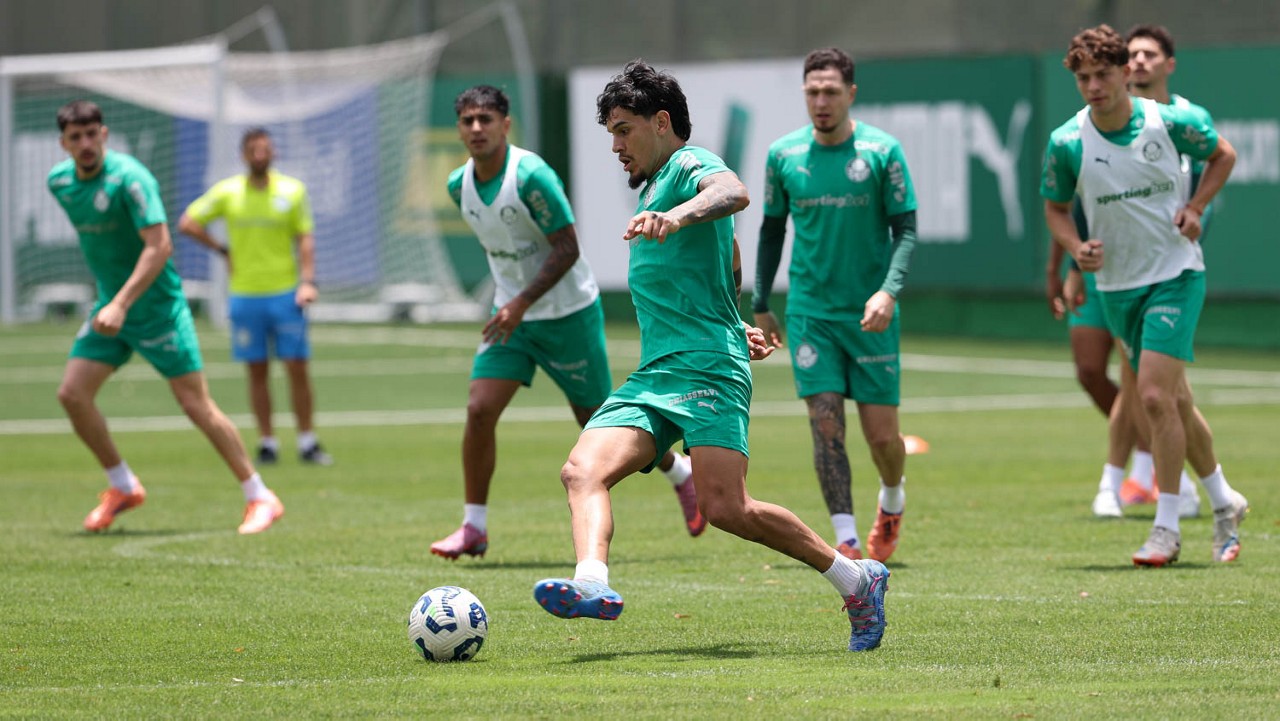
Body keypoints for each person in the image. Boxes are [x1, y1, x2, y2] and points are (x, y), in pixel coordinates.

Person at [531, 60, 889, 653]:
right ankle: (592, 584)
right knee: (582, 470)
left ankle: (856, 578)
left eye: (623, 130)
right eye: (610, 134)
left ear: (662, 122)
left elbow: (733, 193)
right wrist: (737, 318)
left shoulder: (688, 168)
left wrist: (675, 216)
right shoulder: (653, 187)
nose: (615, 146)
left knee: (727, 507)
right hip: (656, 374)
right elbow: (729, 260)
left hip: (707, 372)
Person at [429, 85, 705, 561]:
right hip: (513, 321)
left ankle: (680, 473)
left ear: (505, 125)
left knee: (597, 420)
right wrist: (510, 303)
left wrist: (520, 302)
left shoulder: (530, 175)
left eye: (485, 120)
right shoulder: (460, 186)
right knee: (479, 409)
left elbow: (567, 247)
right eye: (467, 121)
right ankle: (473, 526)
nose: (476, 129)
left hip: (567, 315)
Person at [1040, 25, 1248, 566]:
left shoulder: (1172, 122)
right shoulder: (1067, 142)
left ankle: (1166, 527)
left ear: (1125, 72)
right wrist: (1074, 248)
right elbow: (1056, 208)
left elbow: (1223, 155)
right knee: (1175, 400)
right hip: (1115, 286)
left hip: (1176, 274)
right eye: (1083, 77)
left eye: (1102, 74)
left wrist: (1197, 206)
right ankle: (1225, 501)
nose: (1093, 86)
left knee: (1153, 397)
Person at [48, 100, 284, 535]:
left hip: (155, 310)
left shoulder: (131, 180)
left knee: (196, 404)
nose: (85, 143)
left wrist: (121, 302)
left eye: (91, 133)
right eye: (75, 137)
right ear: (63, 143)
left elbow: (160, 247)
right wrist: (112, 303)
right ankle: (123, 486)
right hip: (111, 311)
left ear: (104, 134)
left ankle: (259, 495)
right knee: (72, 394)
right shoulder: (59, 183)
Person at [752, 48, 918, 563]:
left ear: (850, 94)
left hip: (870, 315)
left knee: (883, 439)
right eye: (812, 91)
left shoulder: (882, 152)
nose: (820, 101)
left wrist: (888, 290)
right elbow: (772, 230)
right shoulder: (783, 156)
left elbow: (906, 230)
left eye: (830, 91)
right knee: (826, 425)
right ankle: (845, 538)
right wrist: (761, 300)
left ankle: (891, 499)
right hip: (810, 314)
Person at [178, 128, 333, 467]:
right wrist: (222, 250)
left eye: (265, 148)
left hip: (286, 294)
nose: (260, 154)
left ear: (273, 153)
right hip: (246, 296)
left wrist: (308, 282)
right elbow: (187, 222)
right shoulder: (229, 192)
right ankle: (267, 442)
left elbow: (304, 238)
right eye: (253, 149)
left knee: (297, 367)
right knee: (257, 370)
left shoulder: (292, 191)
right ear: (244, 155)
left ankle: (307, 440)